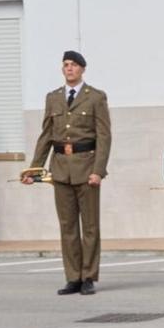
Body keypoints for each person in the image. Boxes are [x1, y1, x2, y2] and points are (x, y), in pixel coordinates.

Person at [24, 50, 112, 295]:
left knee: (90, 226)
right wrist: (34, 169)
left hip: (87, 167)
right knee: (68, 226)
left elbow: (104, 136)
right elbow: (46, 136)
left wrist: (98, 171)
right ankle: (73, 276)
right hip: (61, 168)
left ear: (82, 69)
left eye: (73, 65)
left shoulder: (95, 97)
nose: (69, 68)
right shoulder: (53, 98)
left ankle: (88, 276)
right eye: (65, 65)